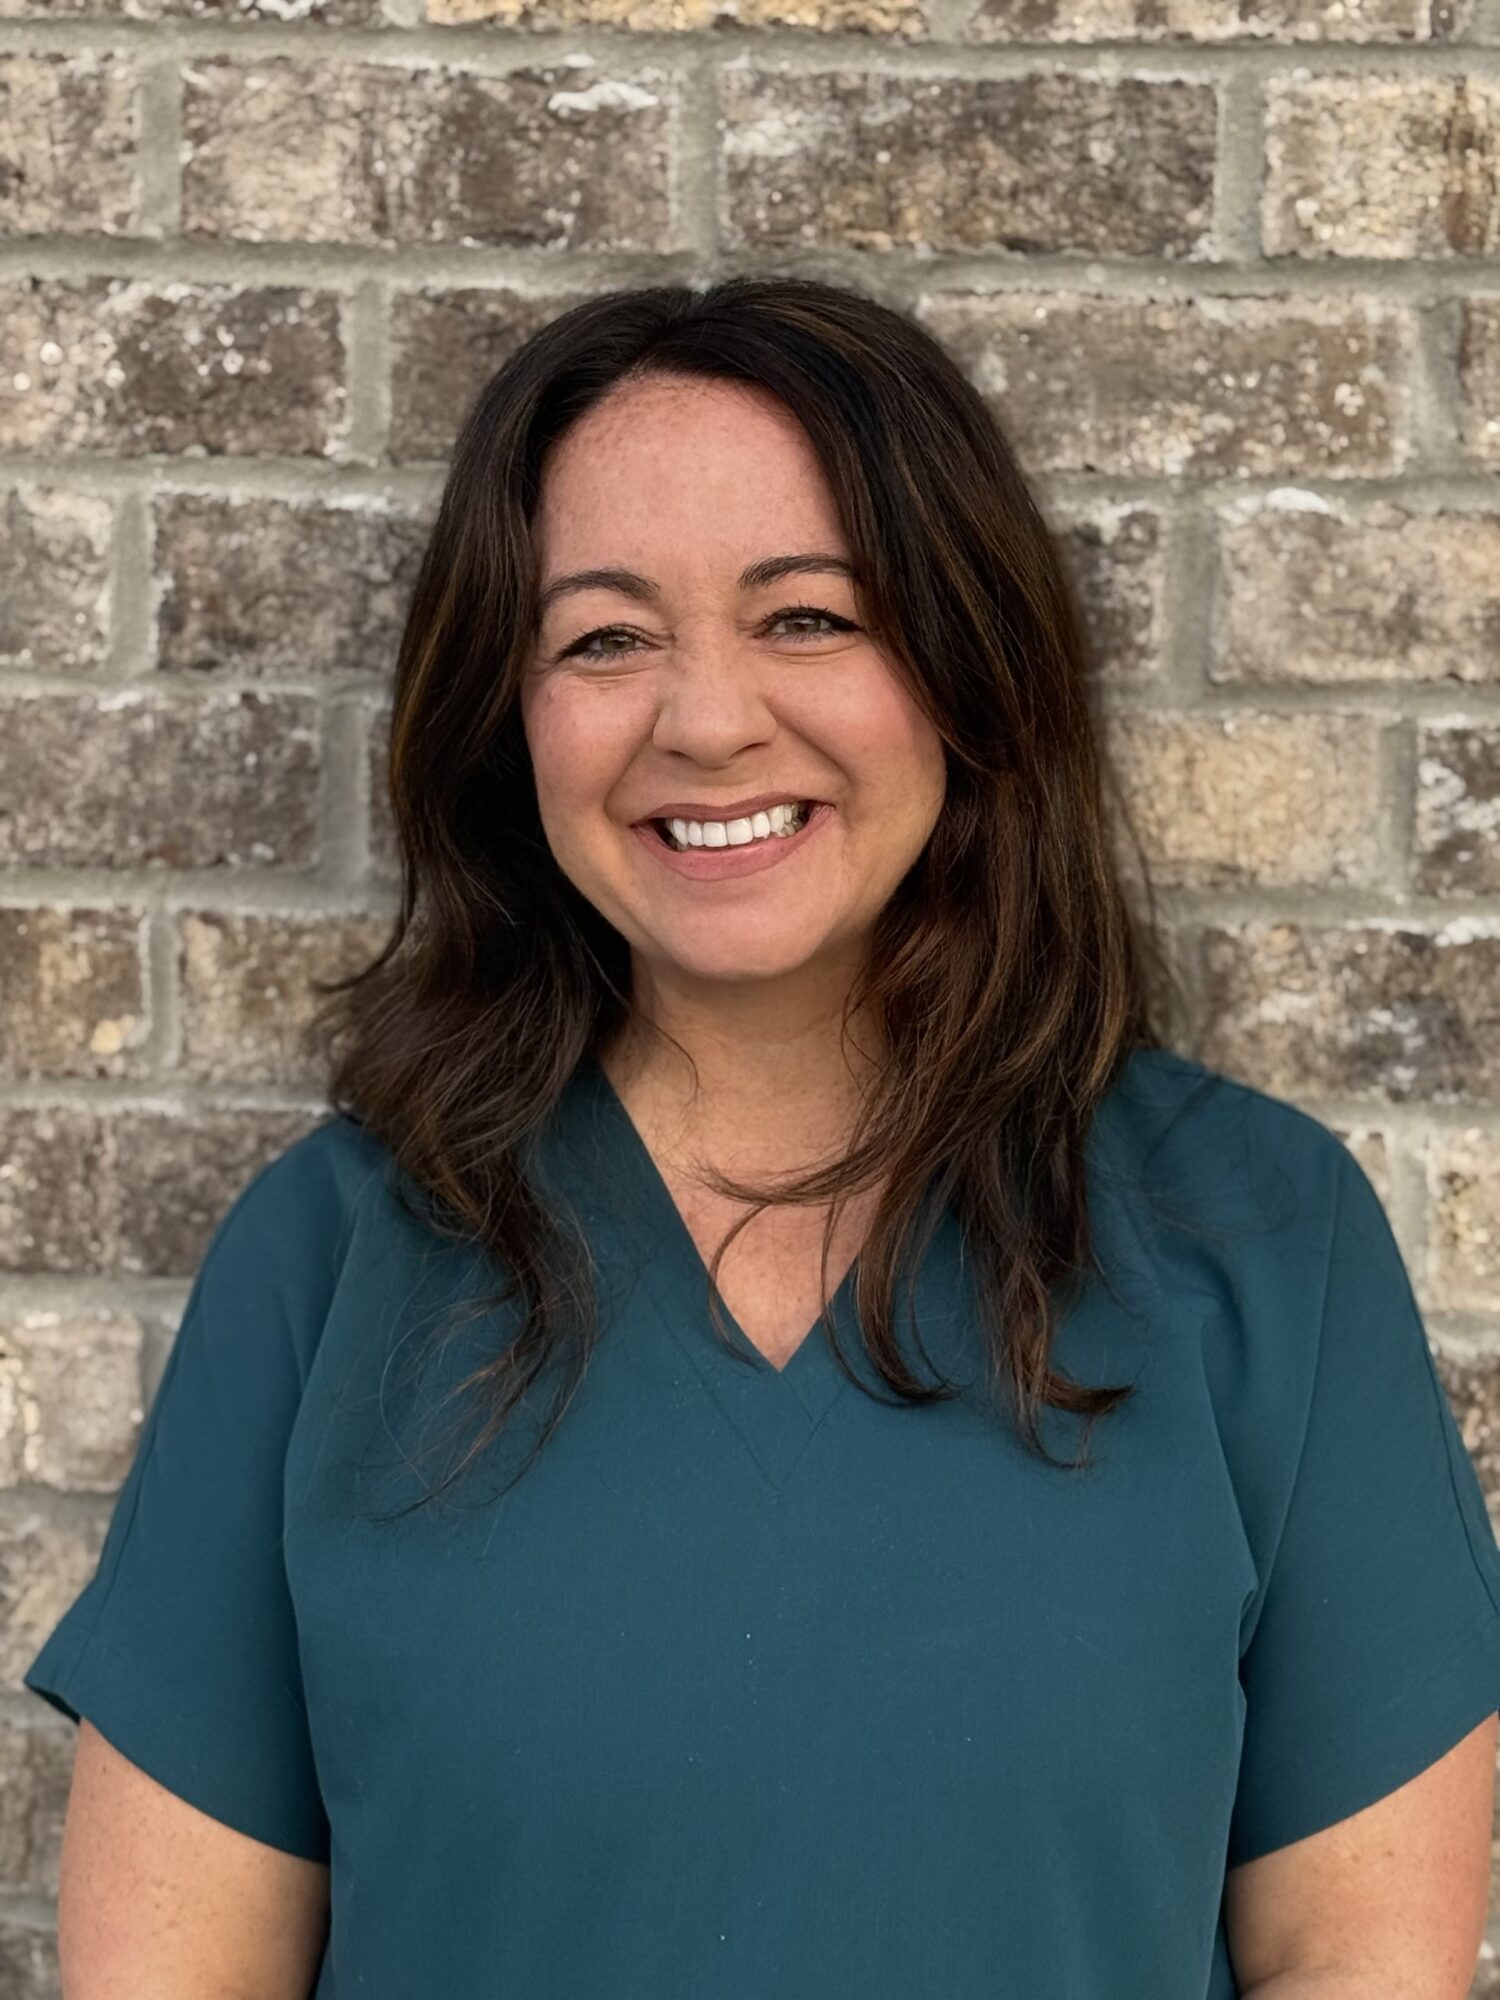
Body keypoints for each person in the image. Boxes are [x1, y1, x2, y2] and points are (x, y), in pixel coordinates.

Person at [24, 274, 1500, 2000]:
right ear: (508, 715)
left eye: (808, 617)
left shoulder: (1260, 1238)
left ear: (966, 664)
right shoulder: (330, 1260)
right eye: (603, 639)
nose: (708, 719)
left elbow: (1355, 1962)